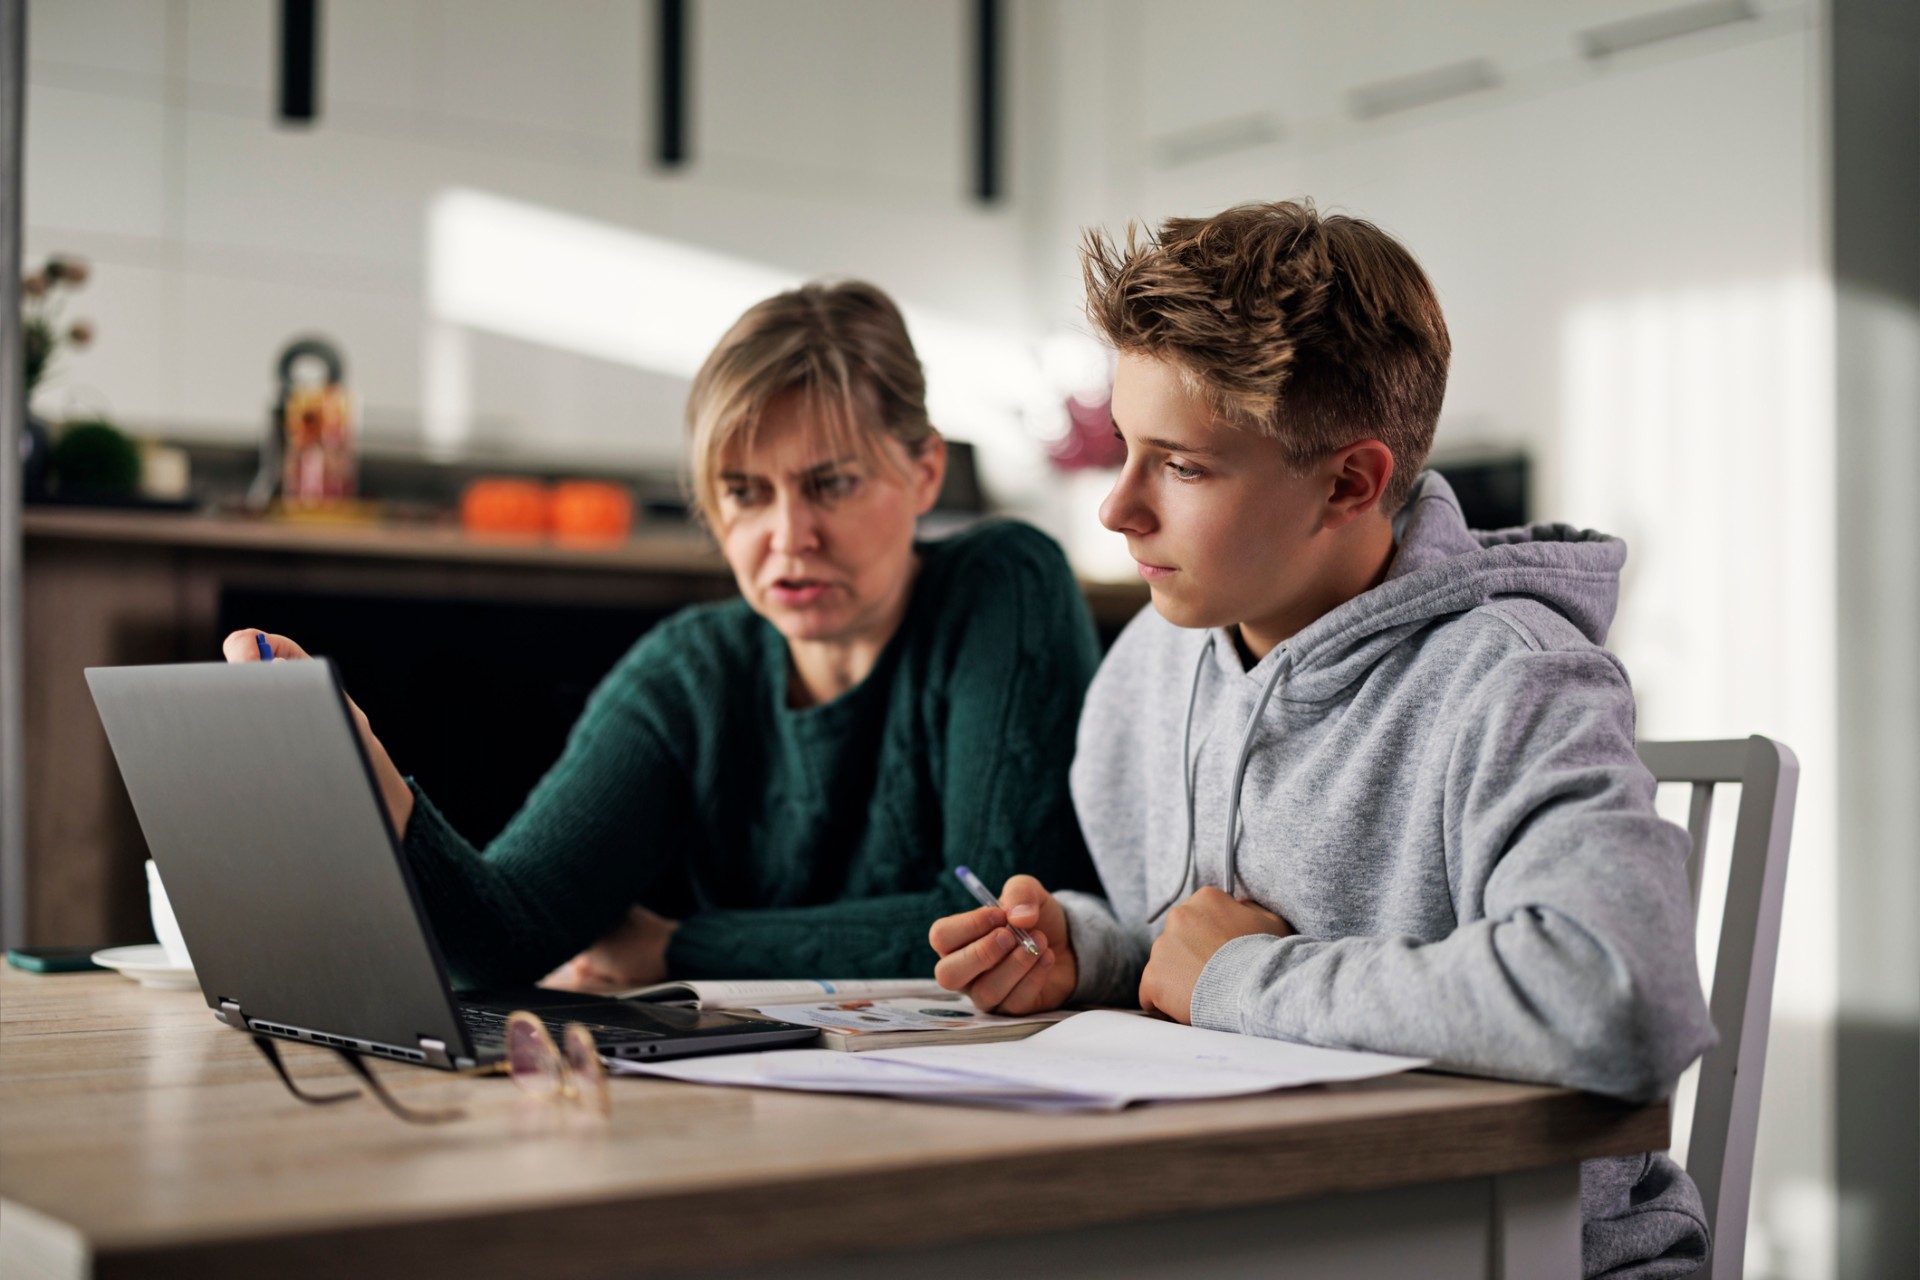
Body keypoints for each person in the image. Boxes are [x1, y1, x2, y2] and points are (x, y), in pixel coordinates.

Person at [927, 203, 1716, 1278]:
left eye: (1183, 466)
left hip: (1515, 1252)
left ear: (1348, 481)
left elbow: (1621, 993)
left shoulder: (1514, 679)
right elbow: (1187, 940)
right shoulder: (1154, 663)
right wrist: (1098, 950)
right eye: (1123, 448)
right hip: (1265, 1231)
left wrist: (1245, 976)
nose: (1117, 507)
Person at [226, 280, 1102, 989]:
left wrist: (677, 948)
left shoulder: (1002, 585)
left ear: (924, 471)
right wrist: (370, 780)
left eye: (830, 483)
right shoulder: (689, 673)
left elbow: (1000, 928)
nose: (789, 534)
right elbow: (499, 941)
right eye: (745, 492)